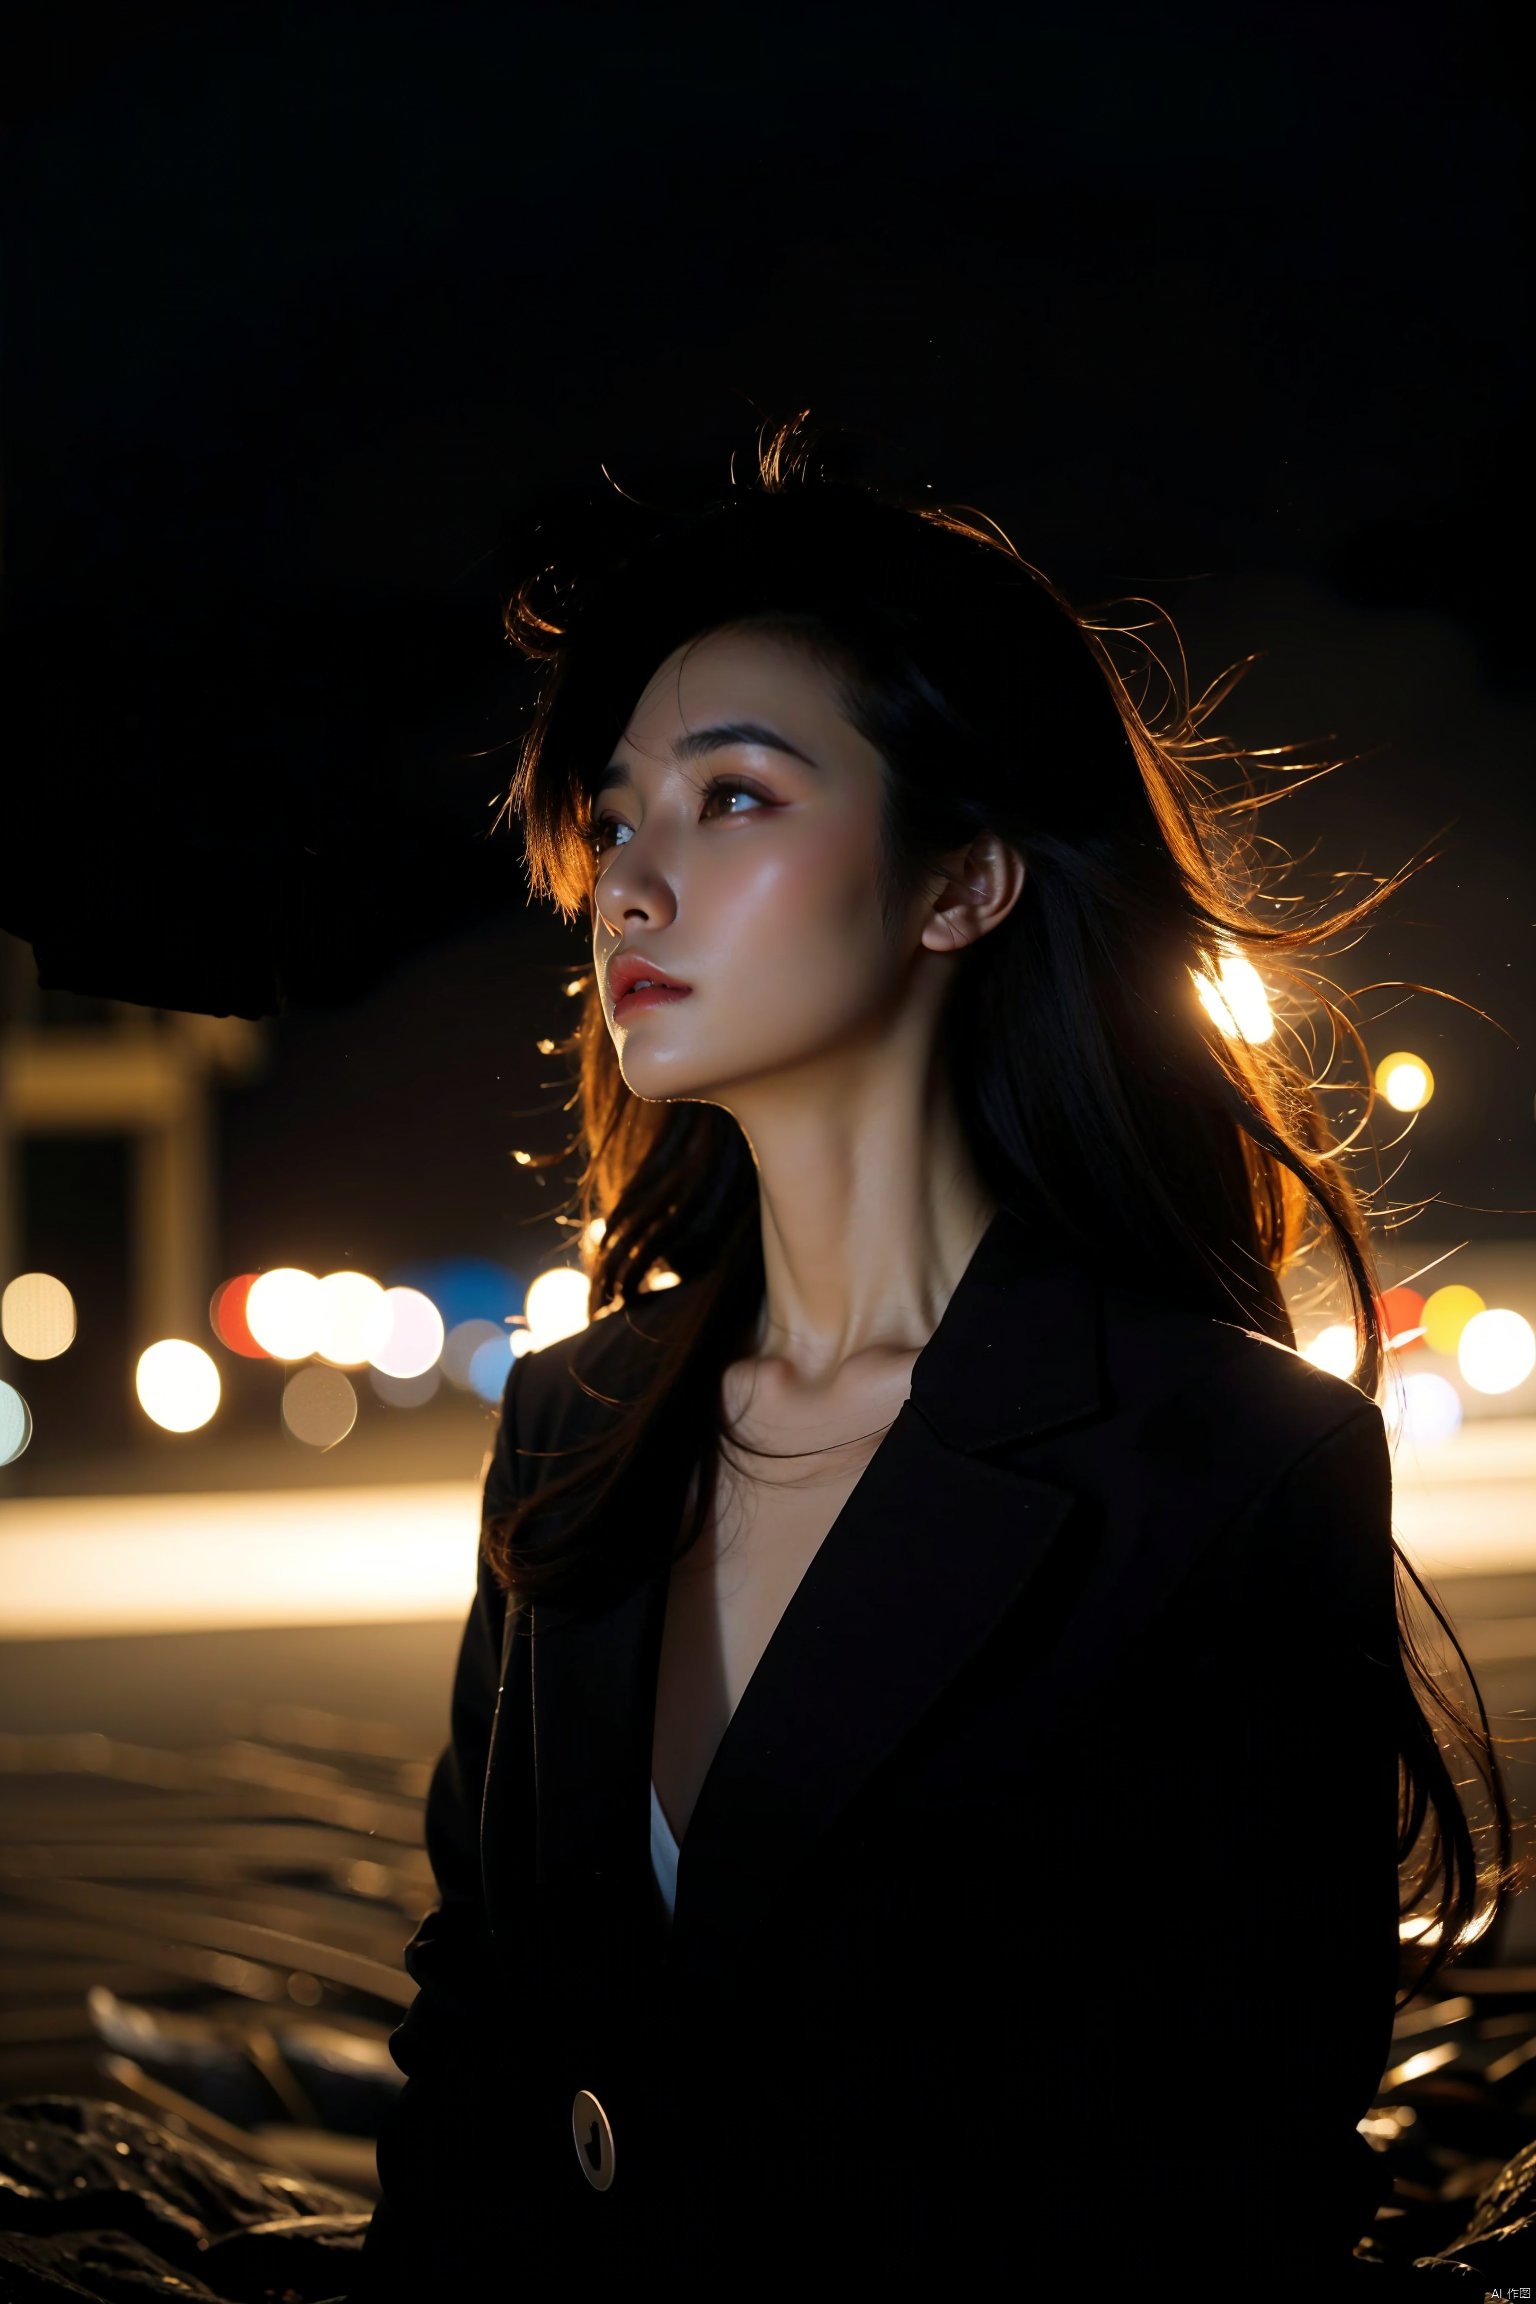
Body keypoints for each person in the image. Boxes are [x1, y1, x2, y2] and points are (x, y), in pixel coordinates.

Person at [348, 413, 1526, 2300]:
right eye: (621, 815)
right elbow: (476, 2025)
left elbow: (1236, 2163)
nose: (629, 887)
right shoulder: (573, 1419)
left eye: (734, 797)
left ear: (963, 880)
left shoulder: (1221, 1461)